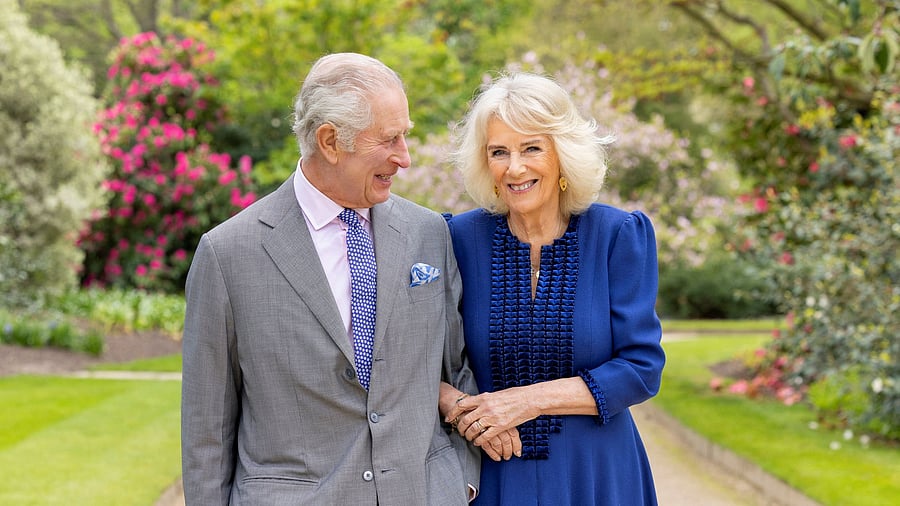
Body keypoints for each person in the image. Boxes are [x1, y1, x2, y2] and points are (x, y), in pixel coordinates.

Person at [181, 52, 482, 505]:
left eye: (406, 135)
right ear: (329, 141)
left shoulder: (429, 233)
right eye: (389, 139)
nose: (405, 157)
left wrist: (460, 482)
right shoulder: (228, 254)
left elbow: (457, 366)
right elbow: (207, 428)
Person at [440, 72, 666, 505]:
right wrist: (457, 406)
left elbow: (641, 368)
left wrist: (526, 402)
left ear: (562, 155)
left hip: (598, 476)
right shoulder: (455, 240)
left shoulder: (618, 234)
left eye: (531, 148)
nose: (515, 167)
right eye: (499, 152)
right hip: (493, 475)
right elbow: (414, 357)